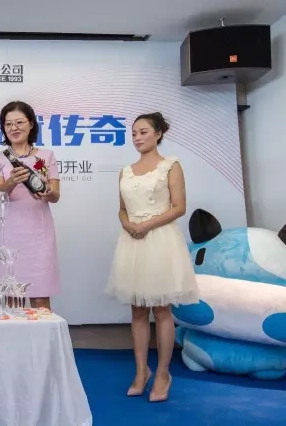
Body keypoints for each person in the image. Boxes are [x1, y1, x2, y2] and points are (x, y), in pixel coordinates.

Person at [105, 112, 199, 402]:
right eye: (134, 133)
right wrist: (127, 223)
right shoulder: (126, 170)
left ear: (158, 134)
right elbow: (122, 208)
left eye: (143, 132)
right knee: (137, 310)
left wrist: (146, 225)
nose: (137, 137)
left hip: (159, 240)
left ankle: (163, 374)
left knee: (161, 309)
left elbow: (179, 207)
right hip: (132, 241)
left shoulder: (171, 165)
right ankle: (140, 371)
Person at [0, 101, 61, 310]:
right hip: (10, 232)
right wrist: (11, 181)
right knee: (13, 298)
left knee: (41, 297)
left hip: (40, 233)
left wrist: (47, 190)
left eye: (19, 122)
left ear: (31, 124)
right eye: (8, 124)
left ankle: (43, 334)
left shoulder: (46, 155)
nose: (14, 128)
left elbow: (55, 196)